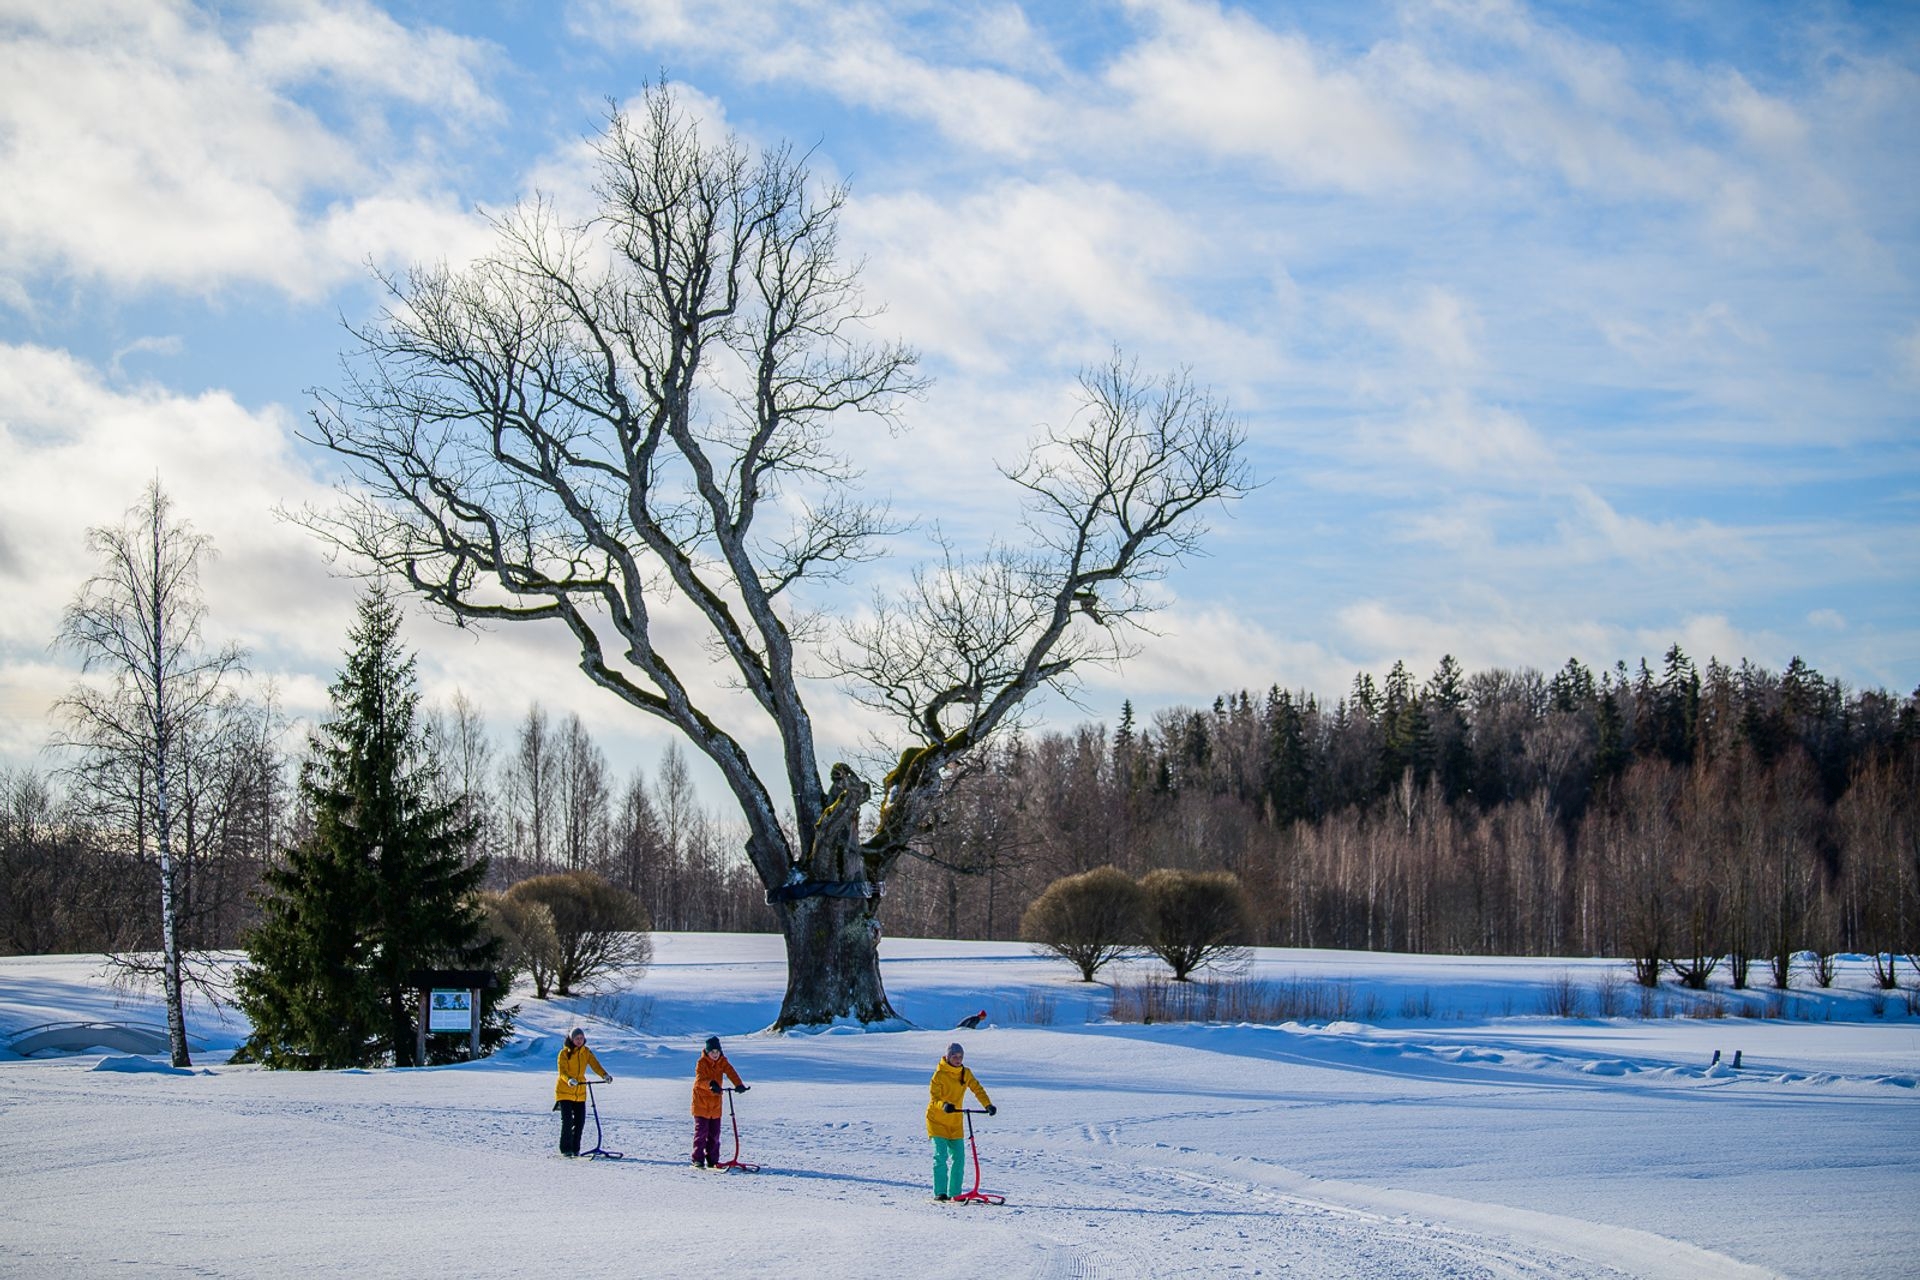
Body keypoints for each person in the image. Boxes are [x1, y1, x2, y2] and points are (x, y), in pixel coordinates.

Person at [925, 1041, 994, 1201]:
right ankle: (940, 1192)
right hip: (937, 1121)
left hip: (955, 1121)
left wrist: (988, 1105)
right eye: (955, 1056)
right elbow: (934, 1099)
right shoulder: (939, 1075)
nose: (958, 1059)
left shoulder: (965, 1073)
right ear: (948, 1057)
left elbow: (977, 1089)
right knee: (940, 1156)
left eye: (960, 1056)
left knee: (959, 1158)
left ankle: (955, 1193)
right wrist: (944, 1105)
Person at [553, 1027, 611, 1157]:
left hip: (580, 1092)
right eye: (576, 1038)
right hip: (564, 1091)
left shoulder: (586, 1052)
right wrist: (569, 1080)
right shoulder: (564, 1053)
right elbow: (562, 1071)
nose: (579, 1041)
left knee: (580, 1121)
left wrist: (604, 1075)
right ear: (571, 1039)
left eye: (581, 1038)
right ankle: (565, 1149)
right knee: (567, 1121)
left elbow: (595, 1065)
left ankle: (575, 1149)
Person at [691, 1035, 747, 1168]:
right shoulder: (701, 1063)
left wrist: (739, 1084)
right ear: (707, 1052)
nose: (715, 1055)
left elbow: (731, 1072)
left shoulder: (722, 1061)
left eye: (717, 1052)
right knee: (701, 1133)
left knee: (715, 1134)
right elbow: (699, 1081)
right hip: (701, 1103)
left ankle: (712, 1159)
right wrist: (710, 1084)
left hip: (715, 1104)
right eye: (712, 1052)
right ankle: (697, 1159)